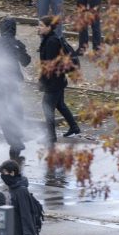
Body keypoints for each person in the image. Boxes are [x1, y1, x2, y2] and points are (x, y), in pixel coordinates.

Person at [0, 17, 32, 159]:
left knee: (3, 111)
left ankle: (14, 139)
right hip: (11, 81)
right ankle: (16, 137)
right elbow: (26, 62)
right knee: (16, 108)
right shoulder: (17, 44)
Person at [39, 16, 80, 144]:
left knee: (47, 107)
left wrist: (42, 81)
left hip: (54, 83)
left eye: (41, 25)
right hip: (59, 80)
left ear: (49, 27)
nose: (38, 27)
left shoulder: (51, 42)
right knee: (60, 105)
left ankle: (51, 136)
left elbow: (49, 66)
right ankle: (74, 127)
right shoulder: (50, 38)